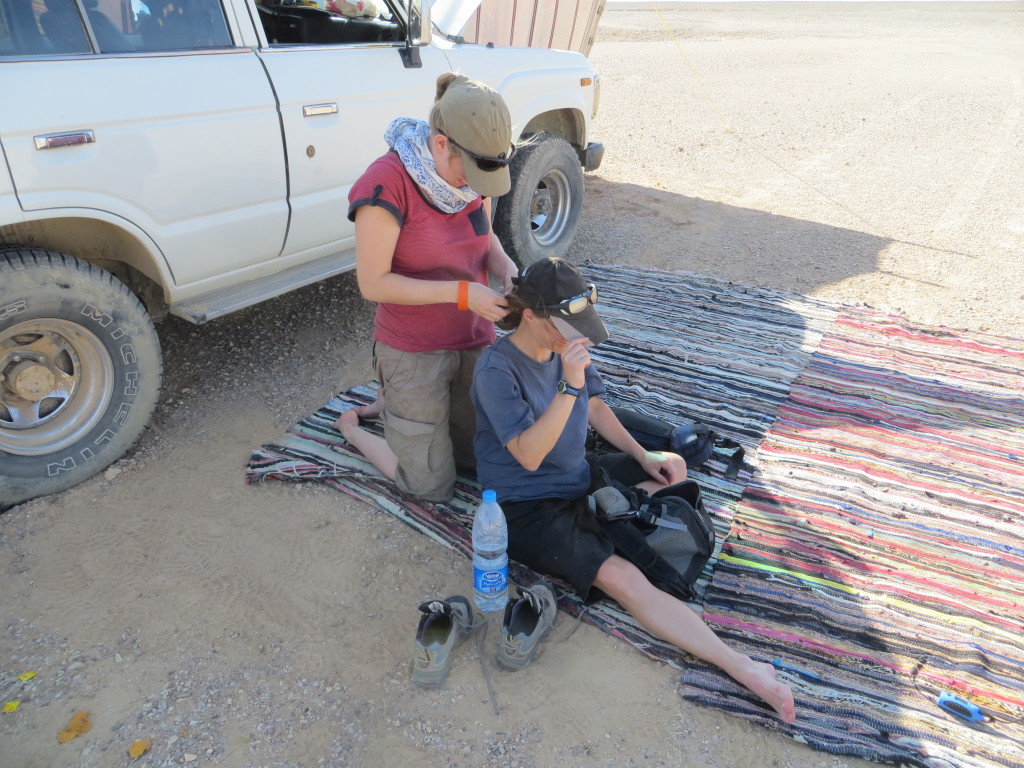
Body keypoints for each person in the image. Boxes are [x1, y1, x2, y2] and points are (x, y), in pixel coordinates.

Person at [470, 257, 796, 723]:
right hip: (526, 505)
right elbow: (528, 454)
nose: (576, 337)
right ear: (532, 316)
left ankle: (615, 527)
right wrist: (568, 384)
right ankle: (742, 667)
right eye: (567, 326)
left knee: (674, 467)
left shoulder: (567, 346)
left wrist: (644, 456)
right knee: (623, 577)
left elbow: (598, 409)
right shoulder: (497, 369)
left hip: (578, 473)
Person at [335, 73, 520, 504]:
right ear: (440, 144)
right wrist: (462, 294)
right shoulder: (387, 183)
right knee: (430, 487)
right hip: (414, 347)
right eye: (469, 173)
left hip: (473, 337)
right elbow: (373, 283)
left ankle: (393, 404)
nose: (475, 186)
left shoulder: (477, 170)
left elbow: (484, 236)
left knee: (484, 460)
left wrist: (507, 268)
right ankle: (353, 425)